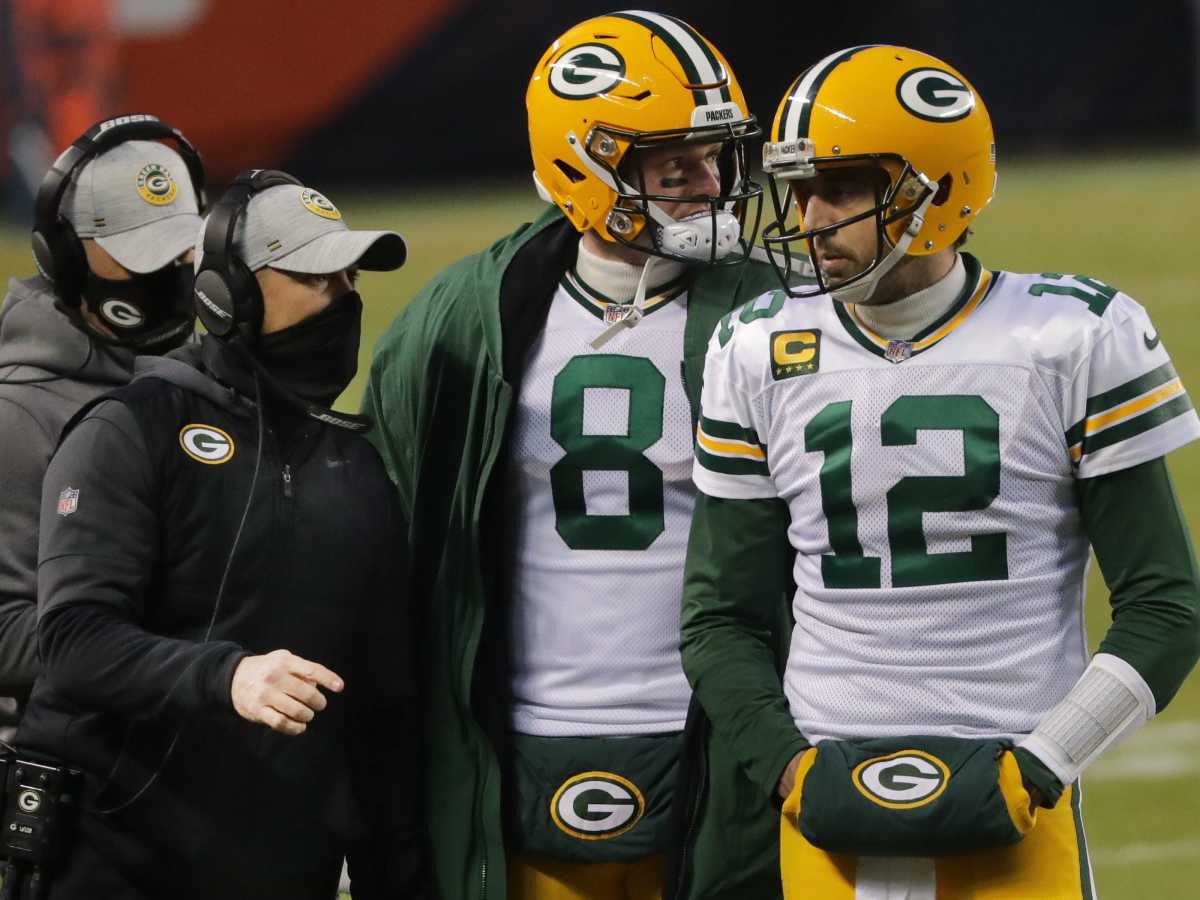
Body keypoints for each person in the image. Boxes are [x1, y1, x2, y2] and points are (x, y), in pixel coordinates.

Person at [683, 44, 1200, 900]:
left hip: (1014, 801)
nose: (807, 216)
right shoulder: (756, 346)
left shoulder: (1072, 336)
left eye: (839, 186)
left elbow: (1165, 607)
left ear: (934, 188)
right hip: (824, 805)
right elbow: (719, 619)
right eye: (798, 188)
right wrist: (787, 769)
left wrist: (1043, 762)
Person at [363, 11, 795, 900]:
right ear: (584, 162)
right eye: (673, 165)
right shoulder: (462, 320)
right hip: (524, 739)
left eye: (713, 158)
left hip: (727, 740)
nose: (708, 186)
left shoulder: (776, 315)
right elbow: (392, 546)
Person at [14, 171, 427, 899]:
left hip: (275, 874)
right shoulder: (133, 429)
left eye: (349, 280)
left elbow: (383, 716)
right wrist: (227, 675)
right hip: (109, 866)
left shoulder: (359, 470)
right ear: (226, 295)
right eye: (316, 278)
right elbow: (73, 641)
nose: (344, 303)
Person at [0, 114, 205, 744]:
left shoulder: (212, 382)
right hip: (76, 778)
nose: (168, 274)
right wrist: (187, 646)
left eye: (180, 250)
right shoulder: (16, 419)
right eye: (139, 254)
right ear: (61, 256)